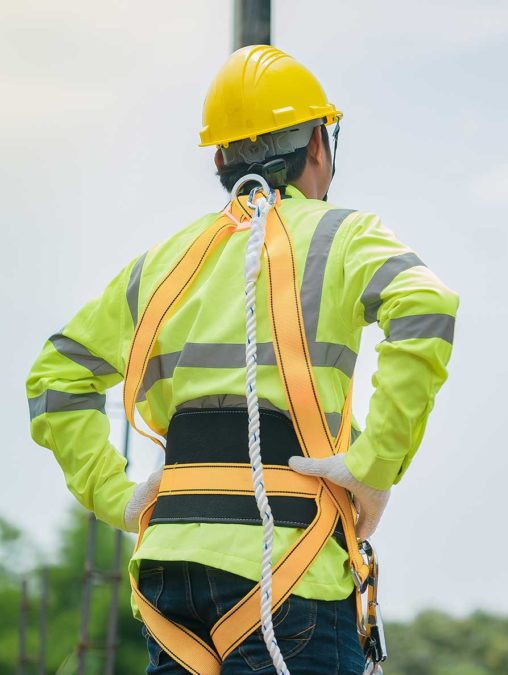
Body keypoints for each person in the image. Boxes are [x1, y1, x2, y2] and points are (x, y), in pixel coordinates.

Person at [26, 45, 458, 673]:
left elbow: (54, 377)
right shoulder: (343, 234)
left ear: (221, 159)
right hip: (290, 566)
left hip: (170, 581)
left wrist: (118, 496)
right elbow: (427, 305)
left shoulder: (166, 261)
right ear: (318, 144)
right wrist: (376, 465)